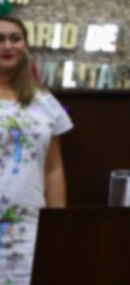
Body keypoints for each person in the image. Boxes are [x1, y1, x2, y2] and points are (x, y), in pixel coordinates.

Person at [1, 15, 70, 285]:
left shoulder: (44, 101)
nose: (7, 45)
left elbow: (53, 169)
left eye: (15, 38)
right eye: (0, 39)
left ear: (25, 46)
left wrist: (58, 227)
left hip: (29, 227)